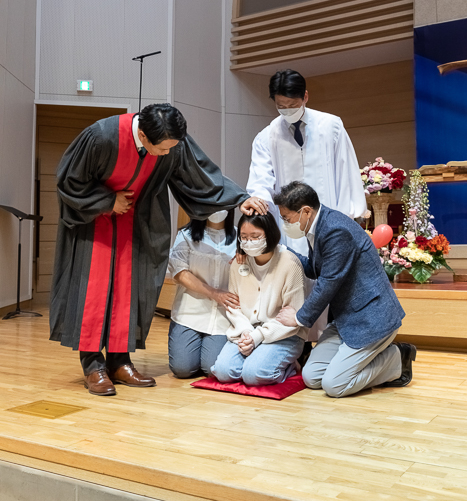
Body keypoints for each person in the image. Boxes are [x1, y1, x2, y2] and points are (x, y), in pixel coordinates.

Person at [50, 104, 261, 396]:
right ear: (142, 135)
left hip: (138, 222)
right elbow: (69, 181)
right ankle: (93, 365)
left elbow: (198, 174)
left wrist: (238, 199)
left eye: (171, 148)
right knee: (94, 293)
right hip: (94, 223)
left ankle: (120, 361)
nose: (167, 154)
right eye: (162, 149)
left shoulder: (171, 140)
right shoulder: (101, 136)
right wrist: (108, 202)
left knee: (129, 290)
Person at [246, 69, 367, 339]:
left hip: (328, 221)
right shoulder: (266, 137)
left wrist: (350, 218)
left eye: (293, 105)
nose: (287, 110)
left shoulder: (331, 126)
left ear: (306, 97)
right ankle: (298, 344)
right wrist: (258, 208)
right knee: (295, 282)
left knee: (332, 281)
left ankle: (331, 339)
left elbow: (346, 171)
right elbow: (261, 183)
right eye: (281, 106)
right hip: (290, 227)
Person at [274, 181, 416, 398]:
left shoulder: (335, 230)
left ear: (305, 211)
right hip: (345, 320)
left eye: (286, 218)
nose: (285, 223)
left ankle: (397, 357)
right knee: (312, 378)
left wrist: (299, 318)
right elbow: (314, 269)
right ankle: (355, 360)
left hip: (372, 320)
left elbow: (328, 283)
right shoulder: (317, 224)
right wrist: (281, 251)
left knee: (335, 385)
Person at [211, 212, 307, 386]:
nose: (249, 242)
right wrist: (247, 332)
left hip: (284, 334)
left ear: (269, 234)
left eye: (255, 236)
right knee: (223, 372)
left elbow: (293, 317)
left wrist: (258, 336)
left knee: (253, 375)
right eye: (244, 237)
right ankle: (261, 357)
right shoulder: (239, 263)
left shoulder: (289, 263)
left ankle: (290, 366)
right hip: (246, 331)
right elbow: (234, 306)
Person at [167, 208, 239, 378]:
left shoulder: (239, 237)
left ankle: (206, 352)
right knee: (182, 369)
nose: (217, 209)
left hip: (224, 315)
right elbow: (180, 272)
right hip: (189, 313)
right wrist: (214, 293)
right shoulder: (185, 235)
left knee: (211, 369)